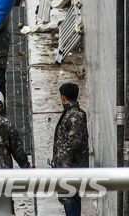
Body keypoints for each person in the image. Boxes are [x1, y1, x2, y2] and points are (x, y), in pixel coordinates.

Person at [52, 83, 89, 216]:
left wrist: (65, 164)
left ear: (63, 97)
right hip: (68, 167)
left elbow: (74, 142)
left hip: (70, 168)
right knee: (71, 198)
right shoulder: (71, 113)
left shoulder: (75, 115)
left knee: (69, 199)